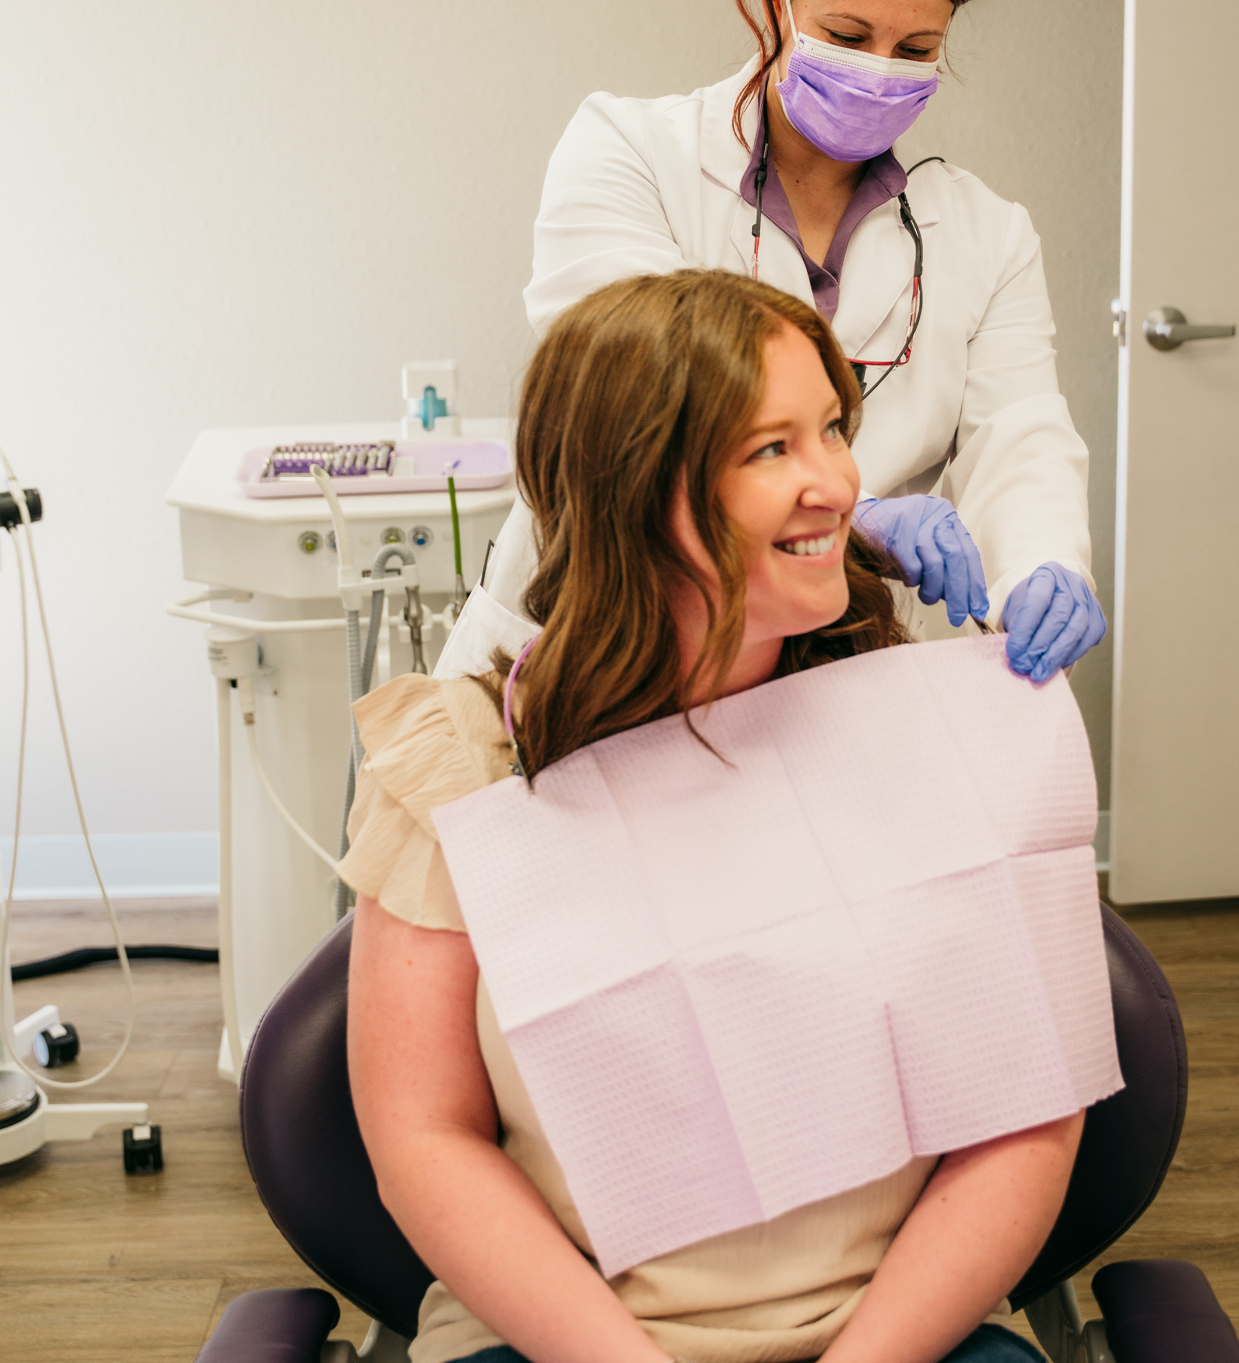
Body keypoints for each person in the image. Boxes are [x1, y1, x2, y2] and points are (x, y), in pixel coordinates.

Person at [343, 270, 1083, 1363]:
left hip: (903, 1332)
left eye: (832, 431)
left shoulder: (922, 730)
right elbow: (424, 1137)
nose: (836, 483)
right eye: (770, 450)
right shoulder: (465, 770)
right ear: (638, 492)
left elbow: (1028, 1108)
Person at [439, 0, 1103, 690]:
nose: (879, 71)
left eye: (916, 48)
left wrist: (1041, 566)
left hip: (824, 661)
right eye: (849, 36)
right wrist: (850, 520)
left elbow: (1021, 439)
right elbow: (629, 410)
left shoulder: (986, 235)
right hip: (608, 646)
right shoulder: (630, 153)